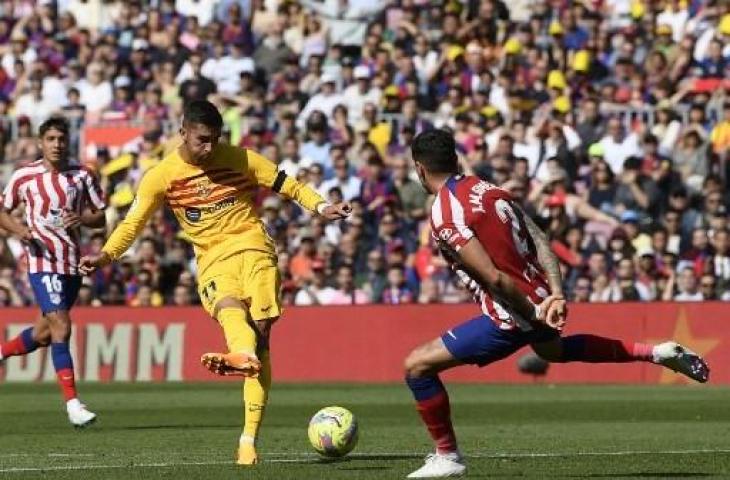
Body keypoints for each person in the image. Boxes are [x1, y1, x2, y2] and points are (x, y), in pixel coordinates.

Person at [402, 129, 710, 479]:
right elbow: (540, 239)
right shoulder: (488, 190)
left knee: (417, 367)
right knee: (553, 351)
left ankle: (448, 455)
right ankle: (656, 353)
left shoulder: (446, 212)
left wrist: (532, 314)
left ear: (419, 169)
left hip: (511, 312)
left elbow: (495, 279)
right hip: (539, 297)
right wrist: (556, 295)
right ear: (455, 159)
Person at [78, 100, 350, 465]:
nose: (209, 148)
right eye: (202, 140)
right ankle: (243, 366)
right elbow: (133, 223)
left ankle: (247, 436)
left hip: (254, 247)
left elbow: (290, 185)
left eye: (214, 140)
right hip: (211, 260)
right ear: (183, 132)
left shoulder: (241, 158)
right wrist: (106, 255)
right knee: (230, 314)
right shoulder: (161, 176)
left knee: (261, 333)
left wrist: (321, 207)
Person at [0, 117, 106, 427]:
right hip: (40, 261)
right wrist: (21, 230)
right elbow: (2, 211)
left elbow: (100, 217)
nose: (57, 144)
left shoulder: (83, 175)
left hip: (70, 262)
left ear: (68, 142)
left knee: (45, 333)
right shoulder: (24, 176)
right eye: (51, 139)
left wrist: (83, 220)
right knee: (62, 325)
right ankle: (73, 405)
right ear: (40, 143)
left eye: (61, 138)